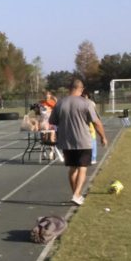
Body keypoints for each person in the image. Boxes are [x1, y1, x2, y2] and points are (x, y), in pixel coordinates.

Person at [49, 78, 107, 206]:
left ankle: (76, 194)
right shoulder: (86, 103)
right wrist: (103, 136)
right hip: (83, 140)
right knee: (83, 167)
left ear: (70, 88)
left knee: (72, 168)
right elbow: (96, 122)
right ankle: (77, 194)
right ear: (81, 89)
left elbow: (52, 121)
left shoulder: (60, 103)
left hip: (66, 141)